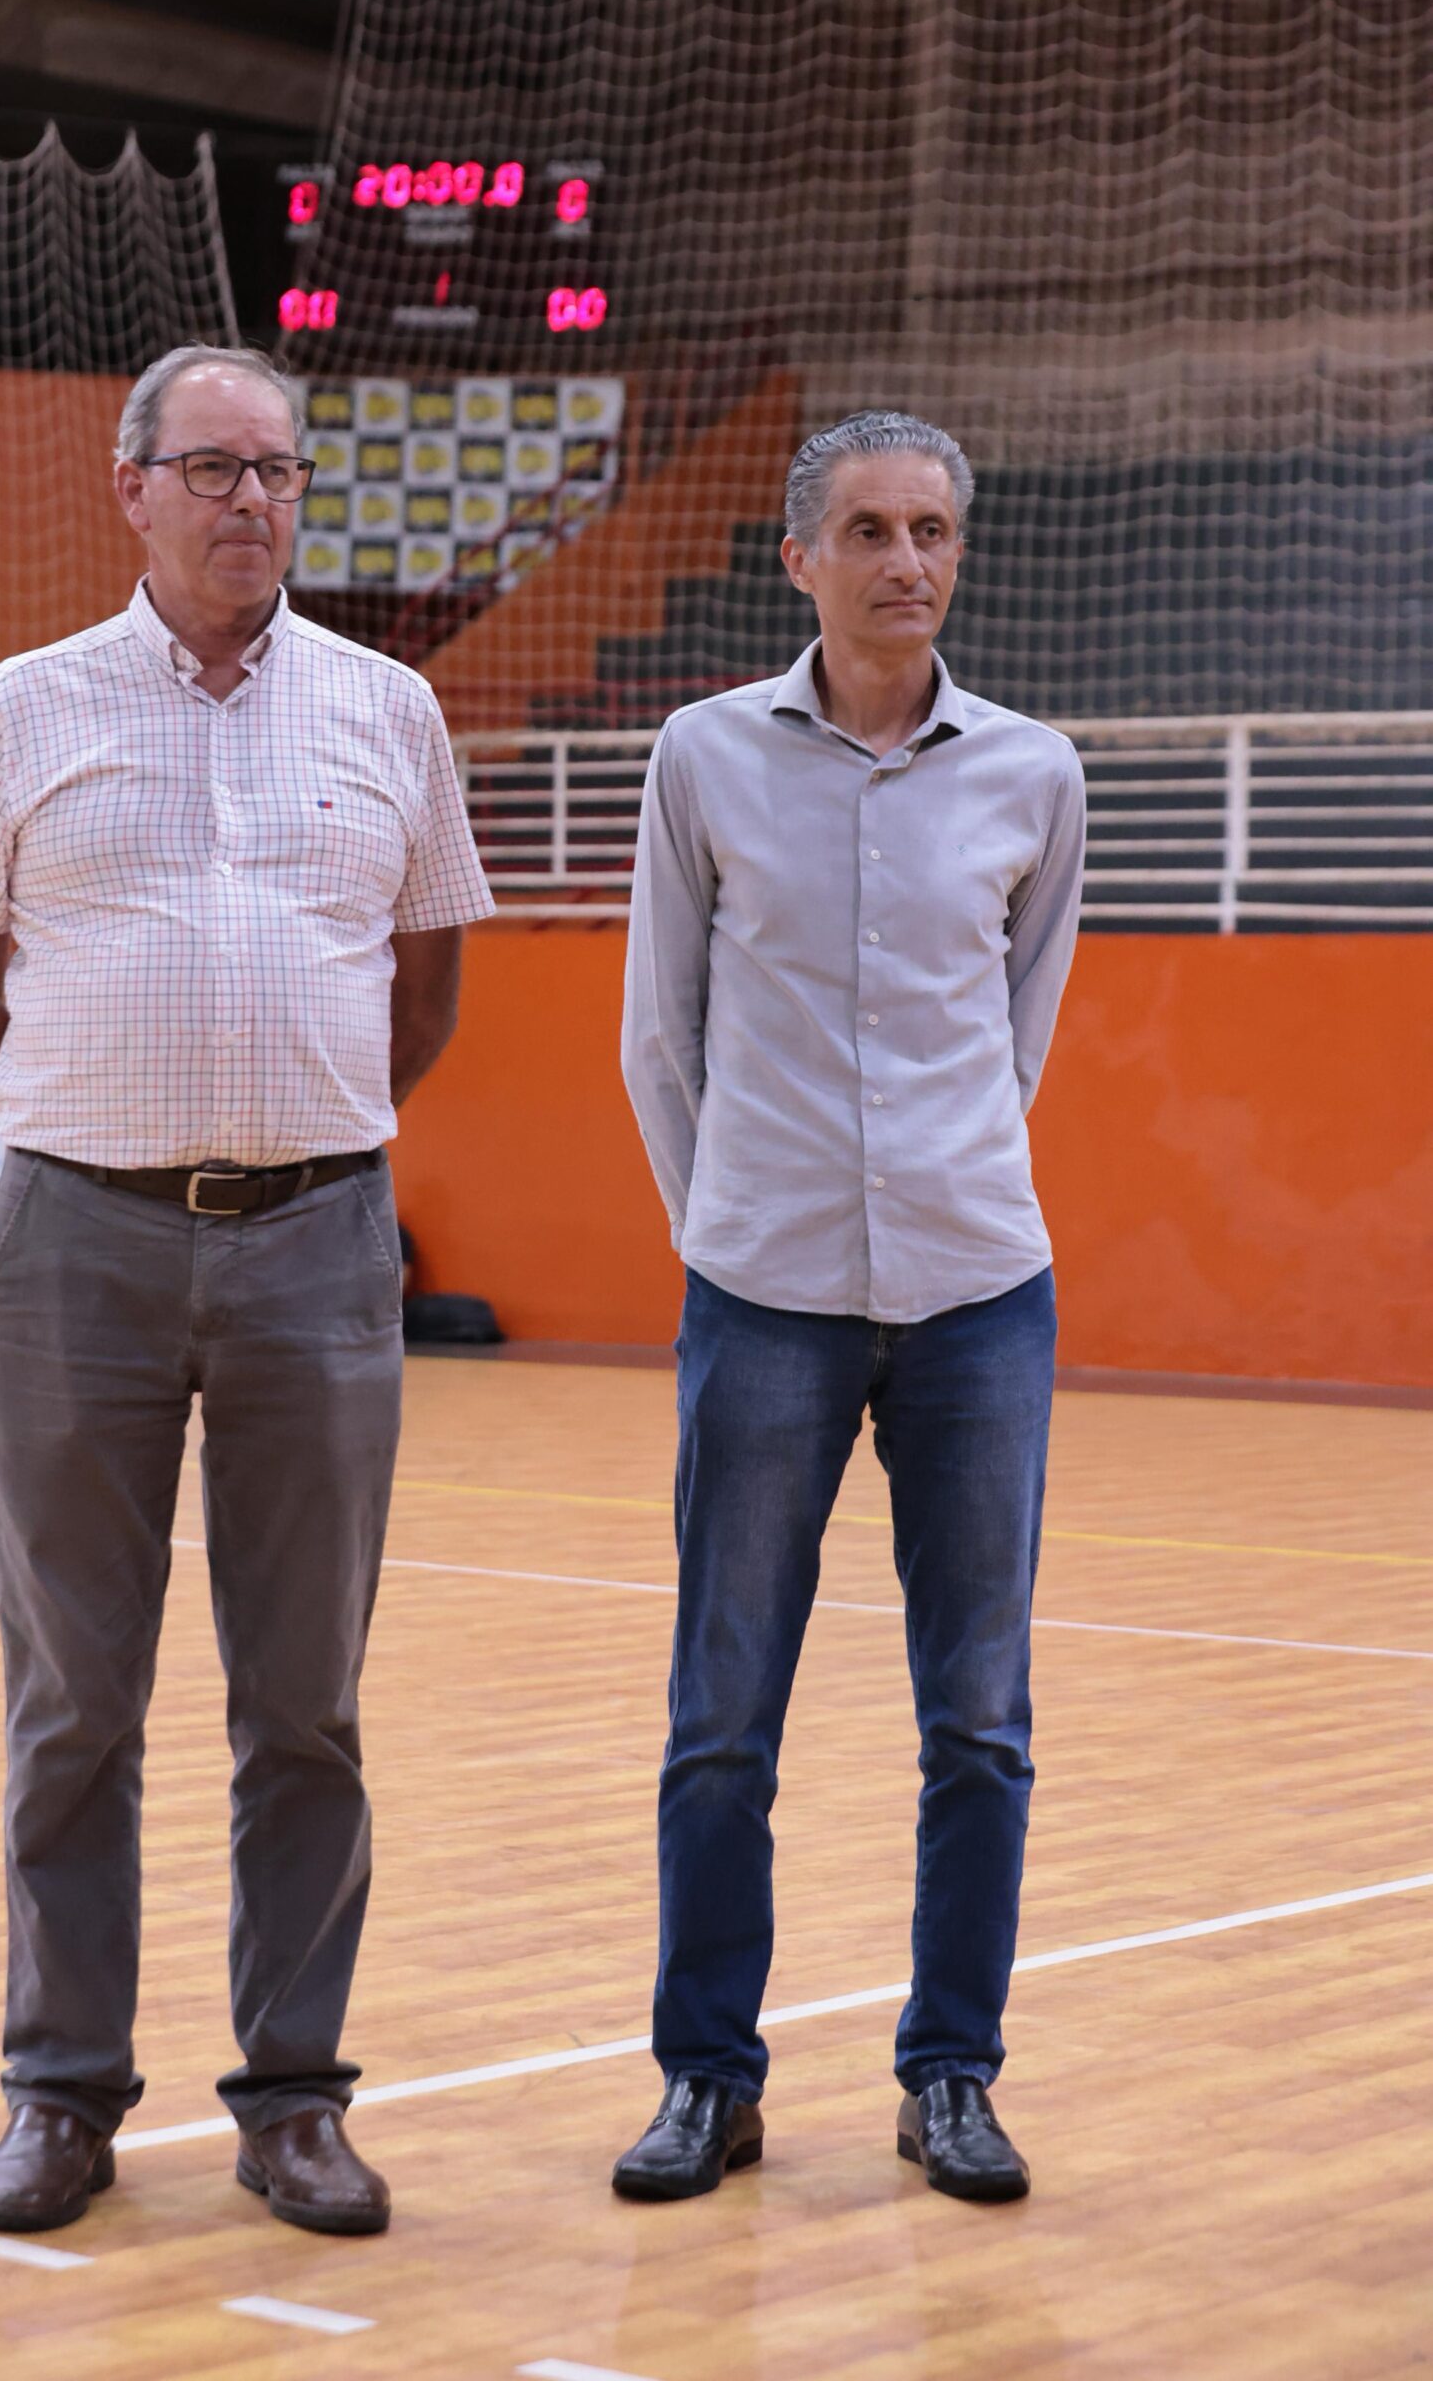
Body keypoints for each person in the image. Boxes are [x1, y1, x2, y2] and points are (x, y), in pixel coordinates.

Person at [0, 343, 495, 2238]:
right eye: (216, 468)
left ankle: (295, 2099)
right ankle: (60, 2094)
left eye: (279, 471)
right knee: (73, 1696)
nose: (254, 501)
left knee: (304, 1699)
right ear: (133, 487)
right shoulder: (22, 705)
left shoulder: (393, 707)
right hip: (75, 1241)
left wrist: (300, 1133)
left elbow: (425, 987)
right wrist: (92, 1122)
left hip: (320, 1244)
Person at [615, 410, 1085, 2207]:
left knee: (980, 1723)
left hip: (980, 1296)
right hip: (765, 1298)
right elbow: (662, 1034)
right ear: (799, 556)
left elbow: (1018, 1032)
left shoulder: (1035, 773)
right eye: (872, 529)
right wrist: (729, 1228)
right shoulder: (703, 756)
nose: (908, 560)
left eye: (933, 529)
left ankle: (951, 2077)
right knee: (723, 1718)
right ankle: (706, 2083)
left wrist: (934, 1183)